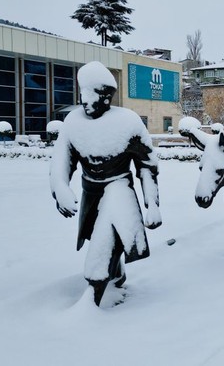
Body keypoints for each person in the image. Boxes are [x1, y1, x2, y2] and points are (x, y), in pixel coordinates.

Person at [49, 61, 162, 306]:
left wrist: (151, 203)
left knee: (104, 243)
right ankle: (117, 273)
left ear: (106, 98)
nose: (85, 102)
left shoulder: (128, 122)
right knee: (95, 236)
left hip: (118, 191)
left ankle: (92, 297)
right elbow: (62, 160)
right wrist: (60, 187)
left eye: (91, 96)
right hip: (91, 192)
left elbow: (147, 166)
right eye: (82, 95)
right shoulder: (73, 123)